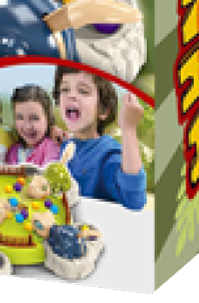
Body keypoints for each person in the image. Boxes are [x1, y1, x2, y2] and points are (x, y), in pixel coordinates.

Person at [50, 67, 147, 211]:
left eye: (83, 91)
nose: (71, 95)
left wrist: (129, 129)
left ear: (103, 110)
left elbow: (134, 200)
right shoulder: (65, 145)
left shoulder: (108, 154)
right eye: (65, 89)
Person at [4, 84, 65, 167]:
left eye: (34, 118)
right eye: (20, 117)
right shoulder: (13, 151)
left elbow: (48, 172)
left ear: (48, 118)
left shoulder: (51, 148)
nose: (27, 126)